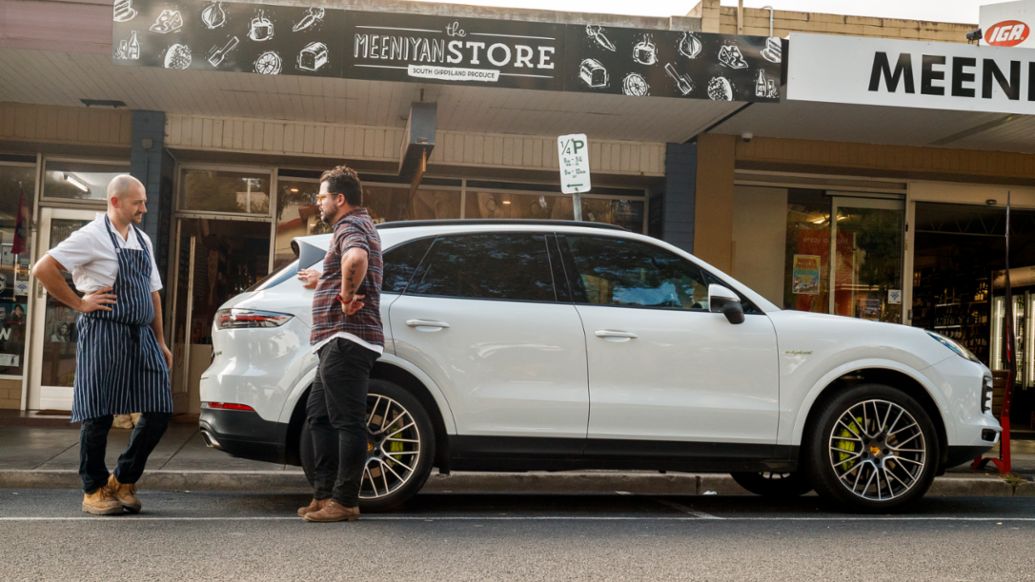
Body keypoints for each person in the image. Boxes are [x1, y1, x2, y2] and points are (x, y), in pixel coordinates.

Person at [32, 174, 173, 516]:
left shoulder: (142, 239)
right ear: (115, 202)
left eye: (144, 201)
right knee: (99, 412)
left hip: (141, 334)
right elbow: (43, 268)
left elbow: (153, 292)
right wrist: (79, 304)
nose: (144, 207)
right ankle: (93, 489)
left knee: (159, 409)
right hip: (104, 331)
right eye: (137, 202)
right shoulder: (92, 236)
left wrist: (161, 339)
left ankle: (122, 479)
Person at [295, 165, 383, 523]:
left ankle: (345, 501)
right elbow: (348, 260)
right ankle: (324, 494)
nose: (319, 203)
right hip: (335, 339)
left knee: (347, 421)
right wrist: (326, 277)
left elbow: (357, 258)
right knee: (319, 416)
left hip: (346, 336)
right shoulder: (354, 226)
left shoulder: (351, 225)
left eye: (322, 197)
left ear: (339, 198)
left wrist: (346, 294)